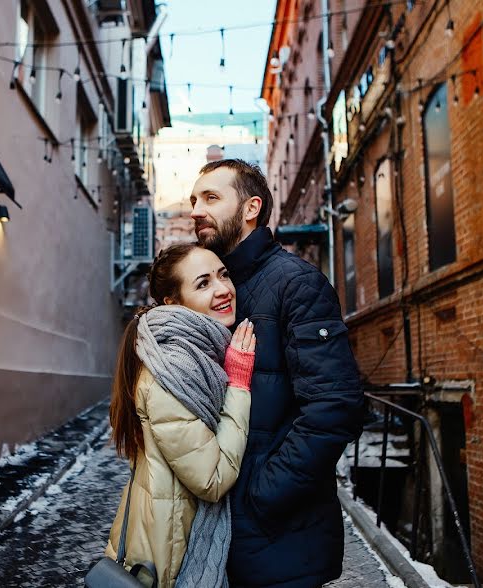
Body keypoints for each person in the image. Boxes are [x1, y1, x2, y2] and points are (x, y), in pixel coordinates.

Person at [190, 159, 364, 588]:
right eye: (193, 199)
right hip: (217, 538)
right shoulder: (213, 289)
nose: (195, 209)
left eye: (211, 197)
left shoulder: (296, 284)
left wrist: (260, 495)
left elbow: (334, 407)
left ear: (251, 208)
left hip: (279, 540)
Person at [105, 242, 257, 588]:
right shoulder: (172, 371)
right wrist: (238, 384)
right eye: (203, 284)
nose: (222, 290)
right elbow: (212, 480)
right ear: (173, 302)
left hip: (172, 531)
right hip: (168, 552)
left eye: (223, 275)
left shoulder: (195, 352)